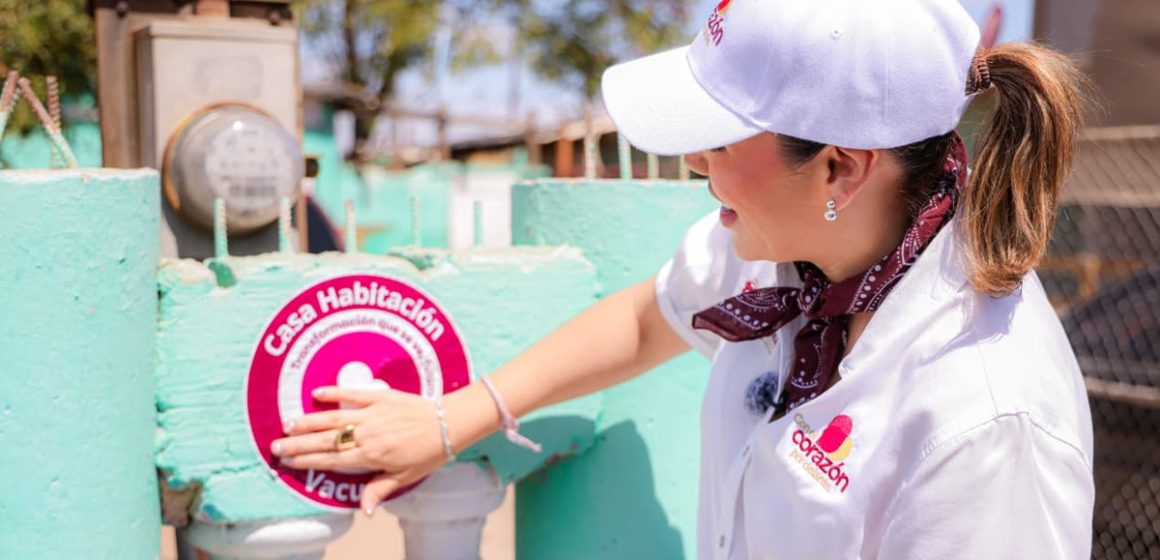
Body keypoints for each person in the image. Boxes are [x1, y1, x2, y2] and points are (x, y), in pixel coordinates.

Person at [272, 0, 1095, 557]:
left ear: (841, 169)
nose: (692, 160)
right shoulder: (789, 247)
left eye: (720, 139)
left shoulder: (986, 422)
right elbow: (646, 318)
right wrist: (451, 418)